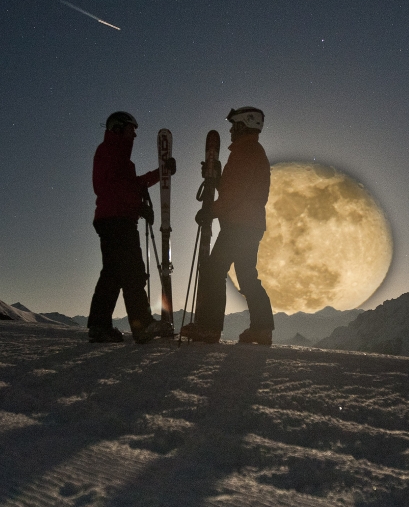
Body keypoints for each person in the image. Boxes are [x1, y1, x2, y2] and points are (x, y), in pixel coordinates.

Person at [181, 106, 274, 345]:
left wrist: (211, 211)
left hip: (239, 225)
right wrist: (219, 180)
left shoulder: (245, 151)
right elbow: (238, 189)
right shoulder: (253, 150)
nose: (231, 130)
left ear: (244, 124)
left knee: (214, 269)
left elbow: (235, 194)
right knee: (246, 276)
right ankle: (261, 328)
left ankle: (209, 328)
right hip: (250, 224)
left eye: (234, 125)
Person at [87, 111, 176, 343]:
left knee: (113, 274)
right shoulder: (109, 153)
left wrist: (160, 173)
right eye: (131, 129)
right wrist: (139, 206)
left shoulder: (118, 157)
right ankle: (142, 325)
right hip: (118, 220)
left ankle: (100, 326)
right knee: (133, 272)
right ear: (118, 128)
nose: (135, 134)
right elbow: (112, 187)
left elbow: (130, 185)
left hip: (112, 219)